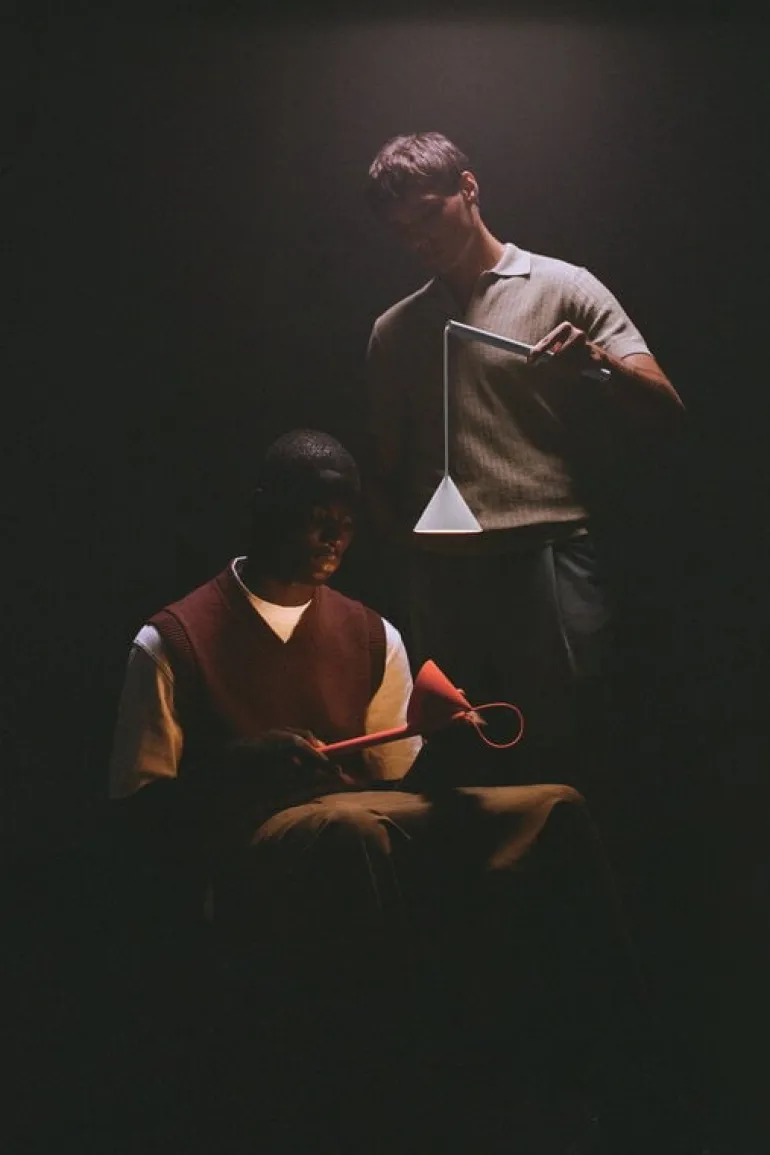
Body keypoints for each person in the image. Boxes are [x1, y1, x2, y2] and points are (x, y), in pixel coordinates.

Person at [107, 428, 699, 1154]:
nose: (334, 537)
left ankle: (630, 1076)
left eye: (345, 520)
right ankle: (395, 1096)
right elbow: (138, 811)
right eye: (314, 516)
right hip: (251, 844)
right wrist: (240, 765)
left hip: (359, 816)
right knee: (354, 833)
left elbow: (396, 784)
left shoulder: (370, 633)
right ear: (264, 508)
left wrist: (444, 735)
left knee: (552, 806)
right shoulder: (173, 639)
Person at [363, 131, 687, 800]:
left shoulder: (563, 287)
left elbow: (667, 411)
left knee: (572, 747)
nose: (418, 237)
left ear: (469, 188)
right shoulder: (396, 331)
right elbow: (382, 469)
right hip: (446, 575)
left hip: (550, 557)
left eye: (428, 213)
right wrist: (414, 557)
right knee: (463, 767)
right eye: (402, 228)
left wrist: (596, 362)